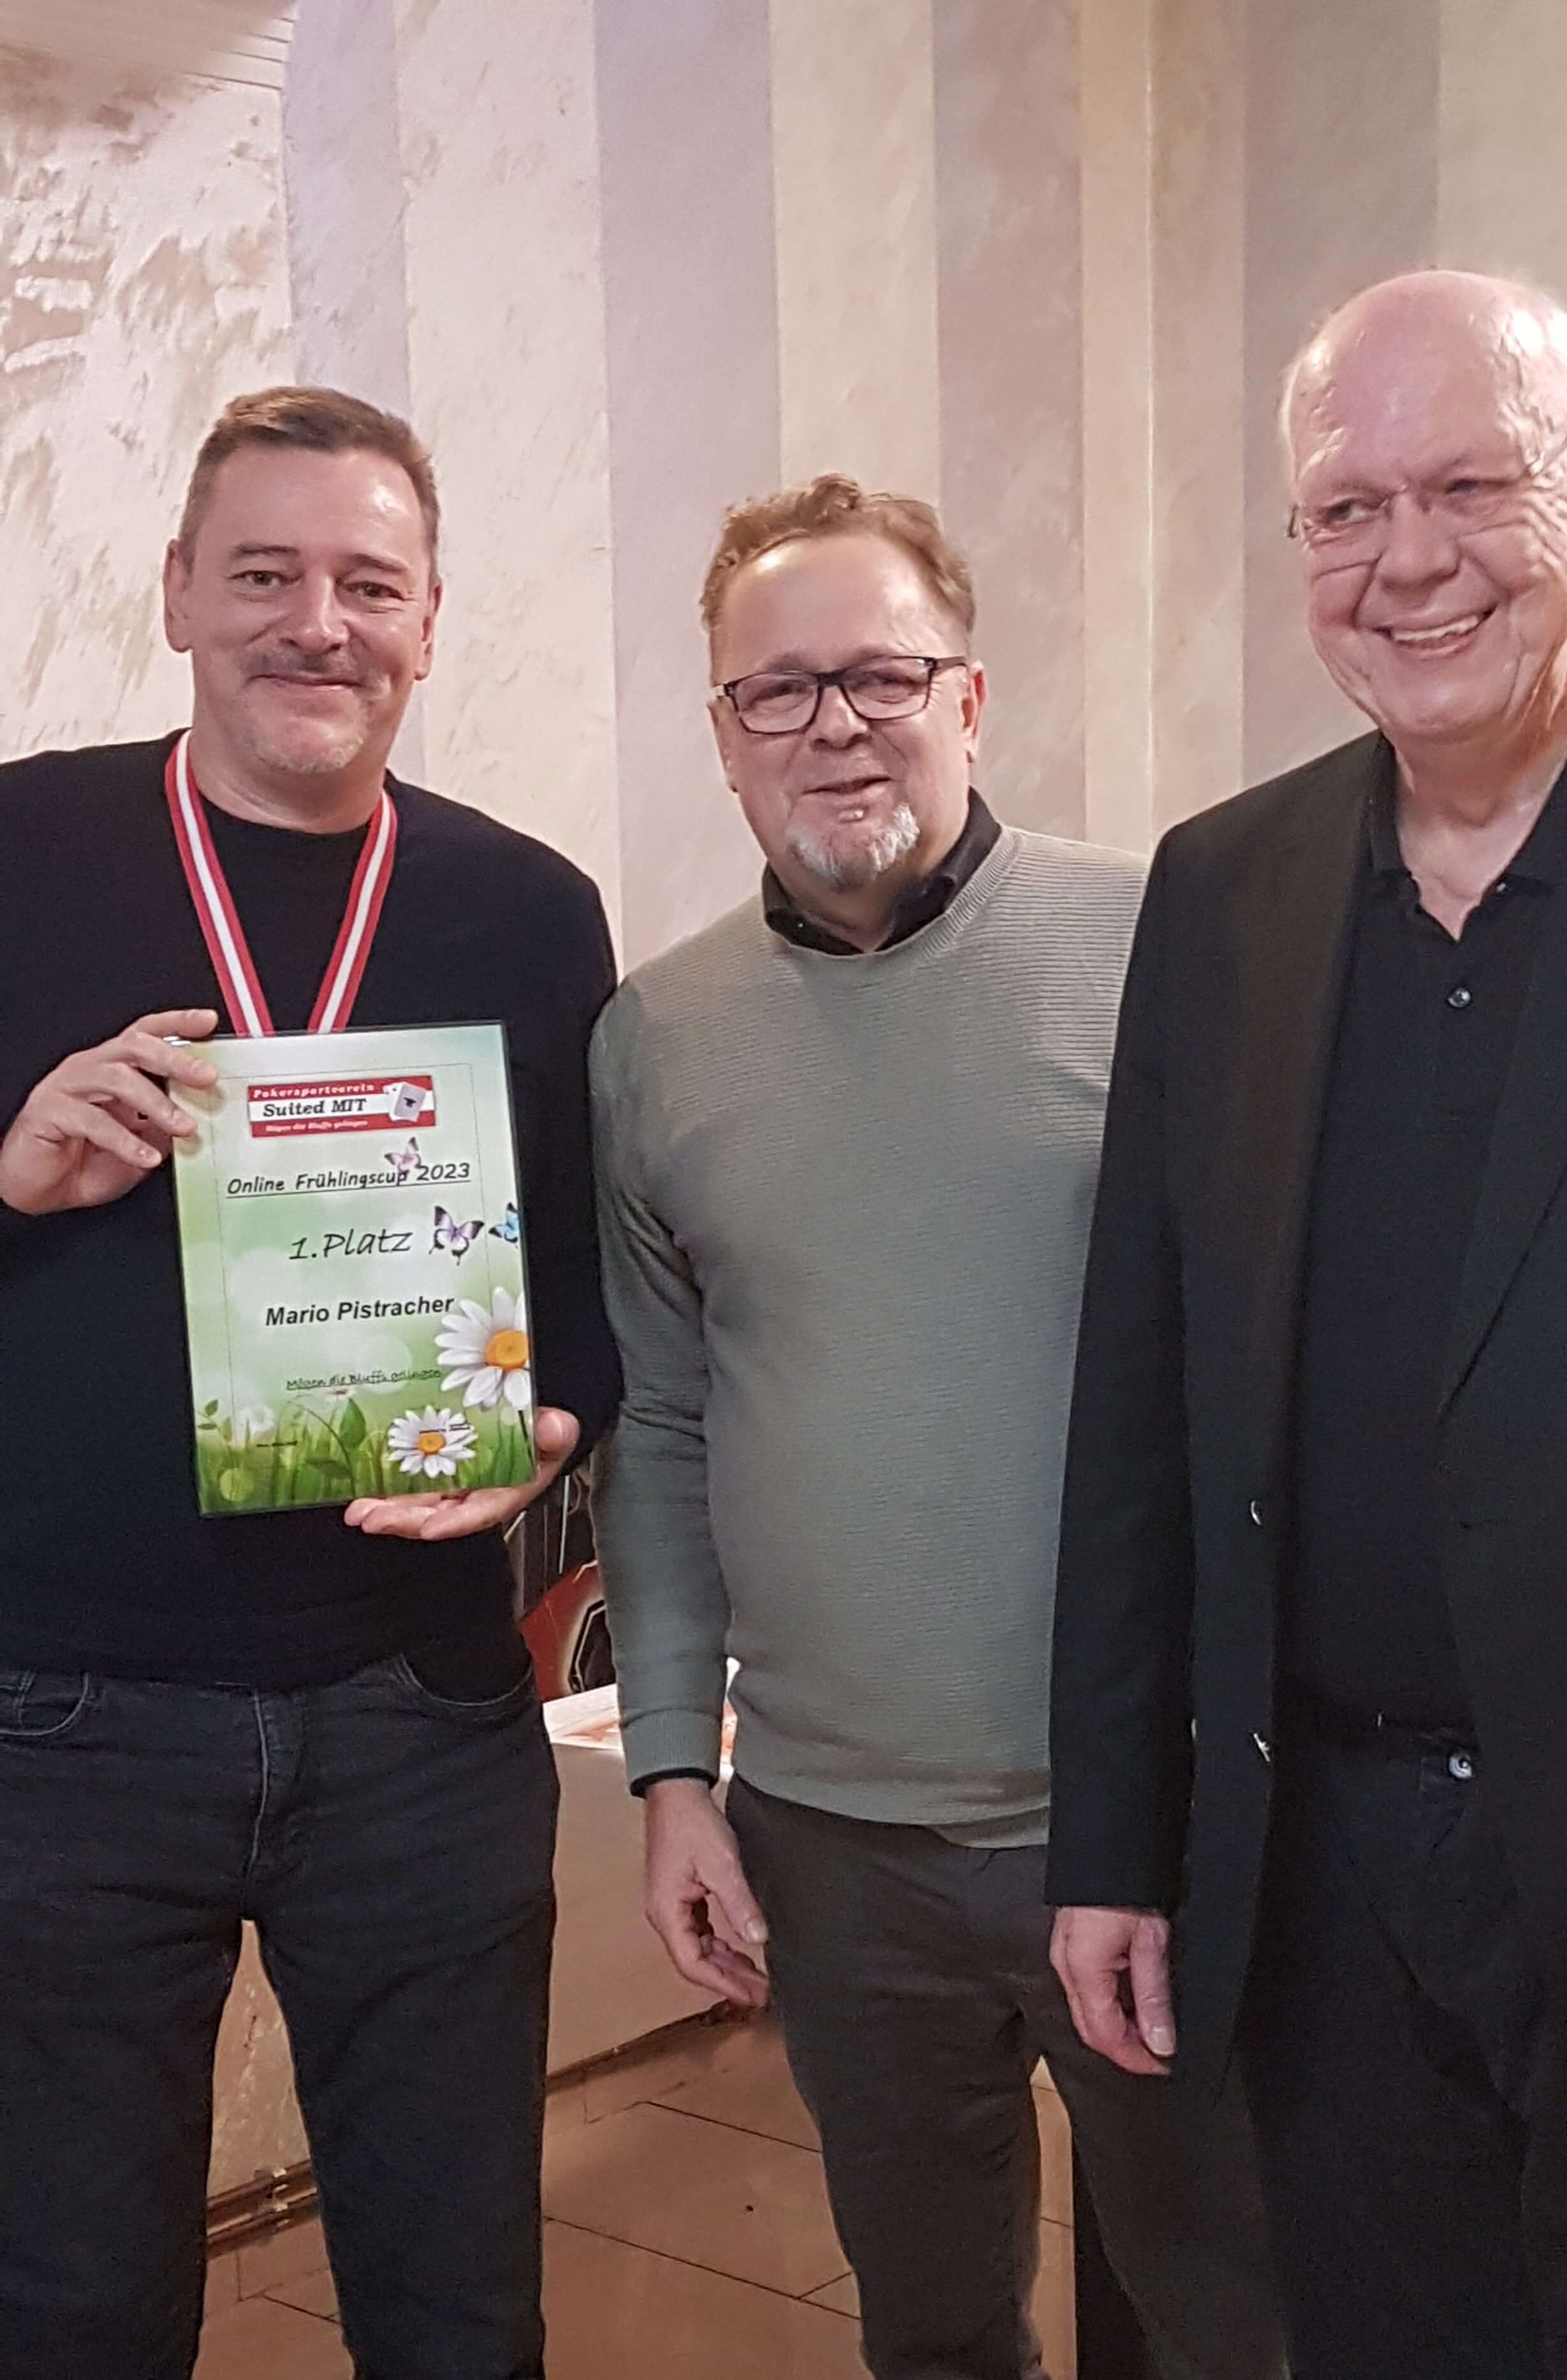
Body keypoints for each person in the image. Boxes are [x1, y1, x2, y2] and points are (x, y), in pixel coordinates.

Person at [1047, 269, 1567, 2380]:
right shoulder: (1220, 889)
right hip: (1323, 1887)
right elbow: (1141, 1409)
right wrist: (1116, 1837)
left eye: (1473, 486)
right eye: (1346, 507)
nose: (1407, 558)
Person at [589, 475, 1283, 2380]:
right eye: (777, 690)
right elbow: (664, 1422)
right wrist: (673, 1770)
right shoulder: (657, 1040)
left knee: (1230, 2321)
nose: (833, 726)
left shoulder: (1166, 945)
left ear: (969, 697)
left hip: (1143, 1811)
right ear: (723, 734)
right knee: (932, 2330)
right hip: (833, 1843)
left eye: (880, 675)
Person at [0, 387, 620, 2380]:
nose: (316, 624)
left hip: (419, 1707)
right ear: (176, 589)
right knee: (72, 2312)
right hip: (64, 1721)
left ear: (432, 617)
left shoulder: (530, 910)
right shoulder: (18, 847)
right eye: (264, 573)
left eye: (368, 581)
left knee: (459, 2315)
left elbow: (590, 1285)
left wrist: (550, 1429)